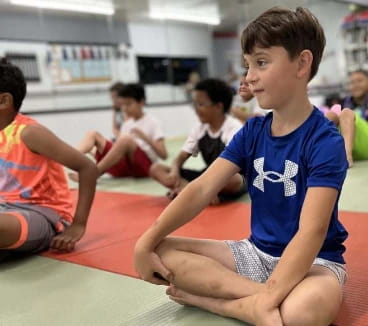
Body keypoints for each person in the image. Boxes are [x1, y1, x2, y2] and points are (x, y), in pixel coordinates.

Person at [134, 7, 348, 326]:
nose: (249, 77)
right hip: (254, 254)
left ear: (302, 63)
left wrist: (274, 293)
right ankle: (259, 302)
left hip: (315, 262)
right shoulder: (252, 132)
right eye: (248, 65)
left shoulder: (325, 141)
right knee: (161, 252)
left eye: (261, 62)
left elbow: (312, 231)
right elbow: (202, 188)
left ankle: (222, 304)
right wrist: (147, 240)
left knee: (303, 313)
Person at [0, 58, 97, 259]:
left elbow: (87, 167)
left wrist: (78, 225)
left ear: (4, 101)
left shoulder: (29, 133)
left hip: (42, 214)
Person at [149, 78, 245, 205]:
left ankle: (191, 191)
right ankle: (192, 190)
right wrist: (174, 171)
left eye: (201, 104)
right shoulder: (199, 129)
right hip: (207, 176)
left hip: (232, 177)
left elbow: (229, 167)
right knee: (156, 168)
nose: (196, 109)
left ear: (218, 106)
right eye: (194, 104)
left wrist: (211, 186)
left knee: (232, 179)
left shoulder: (234, 127)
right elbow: (179, 159)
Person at [70, 83, 167, 181]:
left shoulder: (153, 122)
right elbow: (118, 147)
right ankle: (69, 156)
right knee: (93, 135)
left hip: (144, 167)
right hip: (125, 166)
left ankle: (93, 174)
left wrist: (145, 138)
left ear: (141, 102)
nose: (124, 108)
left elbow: (164, 155)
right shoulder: (127, 124)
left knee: (126, 140)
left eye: (128, 104)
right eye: (123, 105)